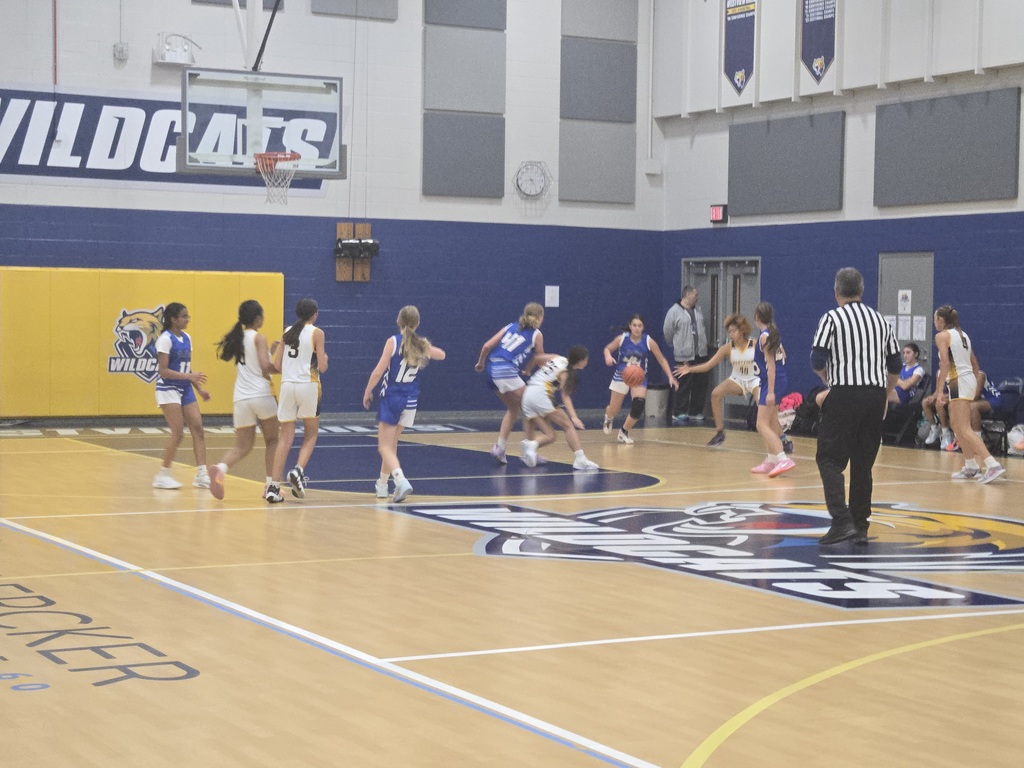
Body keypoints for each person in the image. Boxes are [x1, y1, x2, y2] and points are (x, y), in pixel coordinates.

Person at [811, 268, 900, 546]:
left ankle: (841, 522)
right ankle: (860, 526)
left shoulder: (832, 318)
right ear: (862, 291)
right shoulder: (880, 320)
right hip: (874, 396)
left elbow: (817, 359)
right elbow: (895, 365)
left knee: (829, 459)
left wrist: (830, 382)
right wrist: (885, 394)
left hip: (844, 394)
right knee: (863, 464)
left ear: (836, 292)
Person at [675, 313, 792, 454]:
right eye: (729, 331)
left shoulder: (755, 343)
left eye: (734, 331)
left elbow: (772, 347)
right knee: (715, 394)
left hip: (755, 380)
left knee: (768, 414)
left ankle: (784, 440)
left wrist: (780, 349)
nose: (731, 334)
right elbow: (707, 366)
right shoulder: (727, 348)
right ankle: (720, 432)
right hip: (737, 379)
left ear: (742, 330)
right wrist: (689, 369)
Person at [363, 305, 446, 503]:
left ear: (398, 321)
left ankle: (400, 480)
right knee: (391, 444)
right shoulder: (419, 345)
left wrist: (367, 391)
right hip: (410, 400)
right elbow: (441, 355)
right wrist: (427, 348)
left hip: (393, 398)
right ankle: (382, 485)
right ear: (417, 323)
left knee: (383, 447)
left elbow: (378, 372)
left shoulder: (393, 342)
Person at [207, 300, 281, 501]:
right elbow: (265, 367)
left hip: (241, 397)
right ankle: (270, 486)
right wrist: (281, 366)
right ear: (257, 318)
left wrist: (270, 350)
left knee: (242, 446)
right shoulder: (259, 337)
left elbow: (253, 362)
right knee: (273, 440)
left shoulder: (238, 338)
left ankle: (221, 468)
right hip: (261, 394)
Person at [933, 306, 1005, 484]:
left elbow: (944, 363)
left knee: (963, 428)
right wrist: (969, 382)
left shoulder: (942, 336)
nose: (934, 322)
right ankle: (971, 466)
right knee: (956, 426)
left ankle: (992, 464)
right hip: (966, 380)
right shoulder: (963, 335)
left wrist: (939, 389)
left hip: (958, 380)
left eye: (935, 319)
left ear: (941, 320)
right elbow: (975, 364)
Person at [266, 298, 328, 503]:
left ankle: (273, 488)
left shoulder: (287, 332)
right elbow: (323, 367)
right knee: (311, 434)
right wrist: (324, 357)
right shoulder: (317, 333)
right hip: (308, 385)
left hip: (287, 386)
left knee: (285, 438)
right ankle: (298, 471)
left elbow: (277, 365)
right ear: (315, 314)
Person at [475, 302, 545, 464]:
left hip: (491, 370)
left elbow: (487, 345)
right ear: (540, 318)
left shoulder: (510, 326)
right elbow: (540, 358)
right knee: (532, 408)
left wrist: (480, 363)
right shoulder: (537, 334)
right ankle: (530, 452)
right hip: (505, 370)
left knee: (513, 408)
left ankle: (500, 448)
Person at [152, 302, 211, 490]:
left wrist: (198, 388)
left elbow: (186, 368)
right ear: (173, 319)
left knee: (198, 428)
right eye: (184, 316)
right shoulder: (165, 339)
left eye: (188, 316)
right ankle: (163, 475)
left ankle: (202, 474)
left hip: (185, 388)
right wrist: (189, 377)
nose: (187, 319)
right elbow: (163, 371)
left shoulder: (187, 338)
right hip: (168, 388)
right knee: (178, 433)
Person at [520, 345, 599, 470]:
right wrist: (573, 417)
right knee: (567, 426)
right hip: (541, 394)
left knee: (550, 435)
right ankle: (580, 460)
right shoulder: (566, 373)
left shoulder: (557, 357)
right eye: (586, 359)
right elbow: (565, 396)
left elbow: (536, 358)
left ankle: (530, 447)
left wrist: (527, 371)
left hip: (528, 393)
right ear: (580, 361)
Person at [601, 314, 677, 444]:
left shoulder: (648, 341)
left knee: (638, 405)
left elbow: (662, 360)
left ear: (643, 327)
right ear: (630, 326)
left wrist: (670, 376)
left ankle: (624, 431)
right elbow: (607, 348)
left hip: (639, 376)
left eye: (639, 325)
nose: (637, 328)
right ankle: (608, 416)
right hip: (622, 375)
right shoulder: (622, 338)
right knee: (614, 408)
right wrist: (608, 356)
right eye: (634, 325)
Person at [744, 302, 796, 477]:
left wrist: (771, 391)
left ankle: (782, 458)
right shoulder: (772, 334)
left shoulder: (765, 337)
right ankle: (771, 459)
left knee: (761, 424)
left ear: (756, 317)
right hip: (778, 380)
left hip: (772, 382)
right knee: (772, 421)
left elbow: (771, 365)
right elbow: (784, 355)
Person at [663, 286, 709, 424]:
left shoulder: (698, 310)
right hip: (684, 355)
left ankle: (695, 410)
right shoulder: (674, 311)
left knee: (700, 383)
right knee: (684, 384)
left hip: (700, 353)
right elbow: (668, 332)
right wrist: (678, 345)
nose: (697, 297)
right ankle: (679, 411)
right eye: (695, 295)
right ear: (687, 295)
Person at [889, 343, 926, 407]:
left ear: (916, 354)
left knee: (881, 396)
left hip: (904, 395)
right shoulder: (902, 366)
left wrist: (895, 379)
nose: (905, 355)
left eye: (908, 353)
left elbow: (905, 386)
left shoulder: (918, 370)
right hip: (894, 390)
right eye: (904, 353)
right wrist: (901, 381)